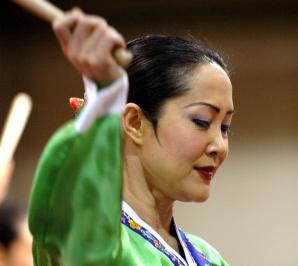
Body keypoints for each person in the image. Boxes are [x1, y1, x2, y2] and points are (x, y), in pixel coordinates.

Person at [28, 8, 232, 266]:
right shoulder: (90, 238)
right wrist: (103, 101)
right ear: (135, 122)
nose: (219, 146)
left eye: (225, 127)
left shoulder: (208, 257)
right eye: (202, 121)